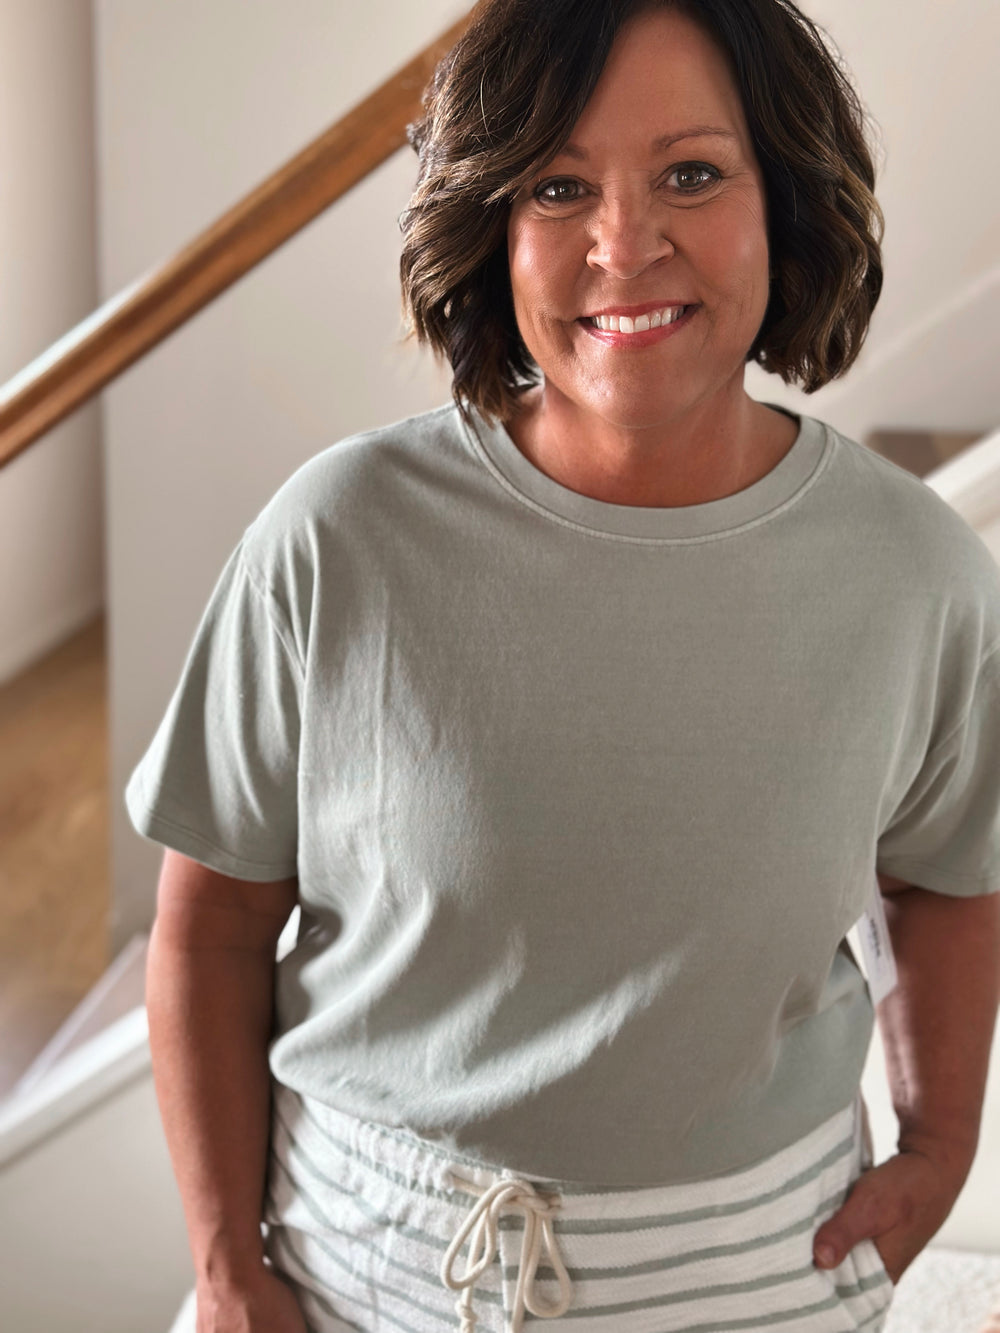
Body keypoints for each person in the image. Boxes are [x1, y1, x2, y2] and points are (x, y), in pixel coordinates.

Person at [128, 1, 1000, 1330]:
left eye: (693, 175)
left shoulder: (918, 572)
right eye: (557, 185)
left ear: (788, 201)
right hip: (355, 1275)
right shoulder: (336, 536)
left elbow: (946, 881)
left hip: (761, 1279)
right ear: (493, 227)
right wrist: (225, 1268)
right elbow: (215, 921)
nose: (624, 243)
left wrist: (940, 1147)